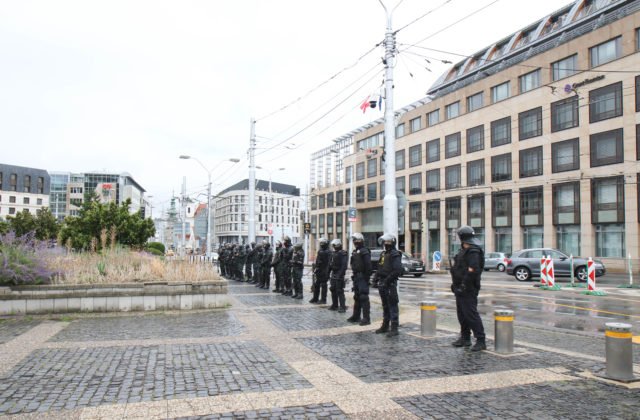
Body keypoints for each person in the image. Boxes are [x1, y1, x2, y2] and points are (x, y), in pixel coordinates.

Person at [450, 225, 486, 352]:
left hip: (468, 288)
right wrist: (455, 284)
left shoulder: (473, 251)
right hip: (459, 287)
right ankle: (465, 338)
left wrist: (464, 285)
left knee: (471, 314)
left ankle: (481, 340)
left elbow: (473, 270)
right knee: (462, 314)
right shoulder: (464, 250)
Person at [374, 233, 402, 337]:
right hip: (382, 283)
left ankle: (394, 328)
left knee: (393, 306)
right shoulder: (383, 254)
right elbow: (380, 267)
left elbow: (397, 270)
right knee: (385, 306)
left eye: (388, 242)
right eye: (385, 242)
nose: (386, 244)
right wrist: (375, 279)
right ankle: (385, 325)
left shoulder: (395, 254)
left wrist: (387, 281)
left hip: (390, 284)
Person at [347, 232, 372, 326]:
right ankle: (356, 316)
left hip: (362, 276)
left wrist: (366, 278)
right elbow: (353, 263)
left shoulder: (365, 251)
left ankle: (366, 318)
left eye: (357, 240)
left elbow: (368, 266)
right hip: (356, 276)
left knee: (363, 297)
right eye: (354, 240)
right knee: (357, 297)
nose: (355, 242)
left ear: (361, 240)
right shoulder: (355, 251)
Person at [327, 238, 348, 313]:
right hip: (334, 273)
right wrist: (328, 273)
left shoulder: (343, 253)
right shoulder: (333, 253)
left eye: (334, 245)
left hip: (339, 273)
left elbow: (344, 265)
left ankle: (342, 306)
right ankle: (335, 305)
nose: (333, 247)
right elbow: (330, 264)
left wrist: (340, 274)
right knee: (333, 289)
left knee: (339, 290)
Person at [310, 238, 330, 304]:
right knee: (316, 284)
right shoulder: (320, 251)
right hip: (319, 269)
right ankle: (315, 298)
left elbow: (328, 263)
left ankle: (323, 299)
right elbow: (317, 260)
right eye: (321, 243)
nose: (321, 244)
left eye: (323, 243)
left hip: (324, 269)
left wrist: (327, 271)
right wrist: (316, 268)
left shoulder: (328, 252)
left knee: (324, 285)